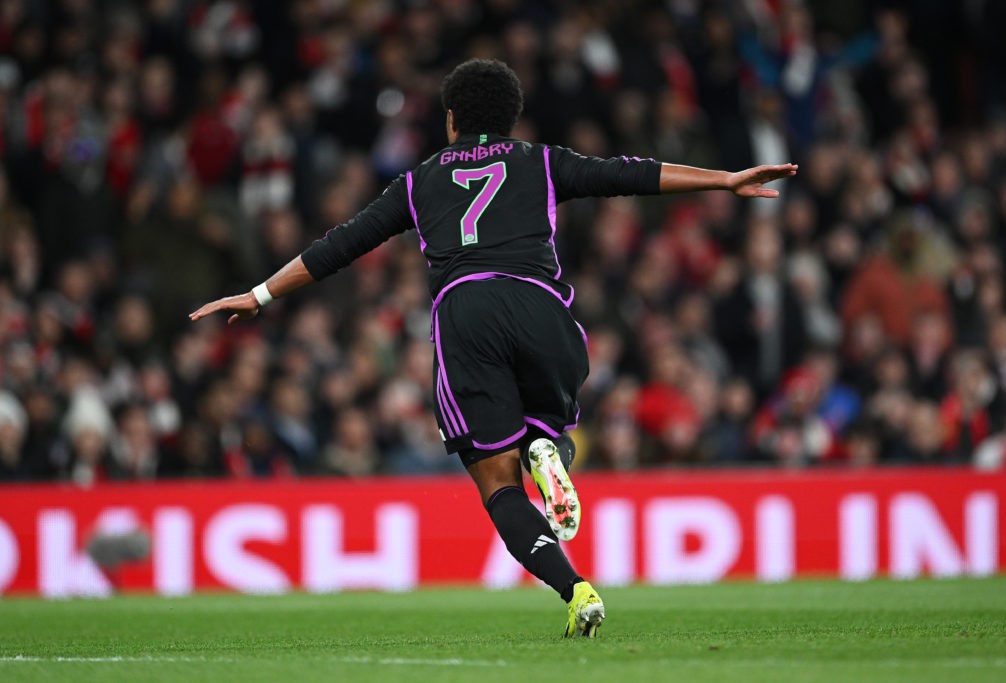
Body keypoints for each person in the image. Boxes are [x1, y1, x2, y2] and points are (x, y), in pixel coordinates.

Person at [190, 59, 796, 638]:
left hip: (466, 310)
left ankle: (577, 589)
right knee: (545, 421)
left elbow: (340, 245)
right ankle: (547, 446)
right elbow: (628, 173)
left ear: (451, 118)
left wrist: (260, 294)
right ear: (512, 118)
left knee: (496, 483)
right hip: (542, 306)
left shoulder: (419, 180)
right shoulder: (541, 162)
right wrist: (722, 178)